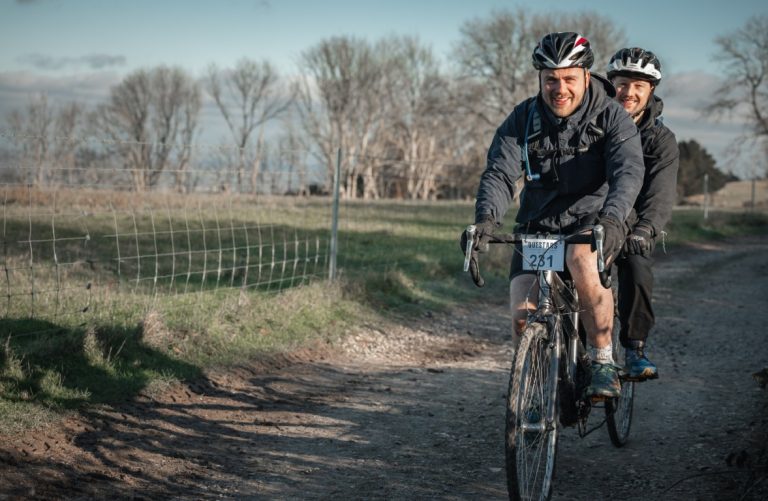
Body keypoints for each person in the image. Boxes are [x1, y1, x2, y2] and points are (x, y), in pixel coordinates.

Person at [464, 32, 645, 398]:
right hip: (538, 225)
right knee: (522, 315)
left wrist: (612, 220)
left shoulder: (611, 116)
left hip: (593, 221)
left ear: (586, 76)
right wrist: (486, 219)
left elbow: (628, 172)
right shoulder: (524, 117)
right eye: (550, 79)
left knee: (581, 259)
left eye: (568, 79)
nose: (559, 88)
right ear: (540, 79)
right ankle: (534, 396)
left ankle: (602, 360)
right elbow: (500, 172)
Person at [607, 47, 679, 380]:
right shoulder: (593, 125)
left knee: (636, 270)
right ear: (611, 84)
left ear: (651, 91)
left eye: (639, 86)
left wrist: (645, 229)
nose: (630, 93)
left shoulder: (660, 140)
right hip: (587, 218)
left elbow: (660, 193)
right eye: (623, 83)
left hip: (630, 224)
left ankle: (634, 347)